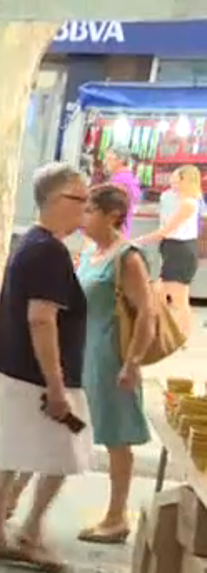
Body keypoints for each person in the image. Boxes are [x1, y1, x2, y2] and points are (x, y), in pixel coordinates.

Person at [0, 163, 92, 573]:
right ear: (57, 200)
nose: (85, 207)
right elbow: (41, 319)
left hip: (21, 370)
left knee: (13, 449)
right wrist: (56, 386)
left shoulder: (34, 242)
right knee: (64, 453)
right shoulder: (48, 250)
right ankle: (27, 531)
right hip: (38, 376)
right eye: (81, 199)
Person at [75, 184, 154, 545]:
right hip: (83, 352)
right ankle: (10, 498)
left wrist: (133, 361)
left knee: (117, 438)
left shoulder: (127, 258)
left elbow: (146, 314)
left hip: (111, 357)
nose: (83, 217)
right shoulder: (90, 252)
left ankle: (116, 515)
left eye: (90, 211)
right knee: (60, 424)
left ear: (112, 216)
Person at [133, 164, 201, 316]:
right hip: (173, 249)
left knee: (177, 298)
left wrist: (138, 240)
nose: (172, 184)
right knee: (164, 295)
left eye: (176, 181)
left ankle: (177, 333)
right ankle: (164, 330)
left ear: (186, 181)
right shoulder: (178, 199)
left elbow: (165, 231)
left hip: (181, 252)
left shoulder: (188, 204)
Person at [102, 149, 142, 237]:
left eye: (109, 159)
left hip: (115, 229)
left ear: (120, 160)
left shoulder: (121, 179)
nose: (105, 162)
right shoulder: (127, 177)